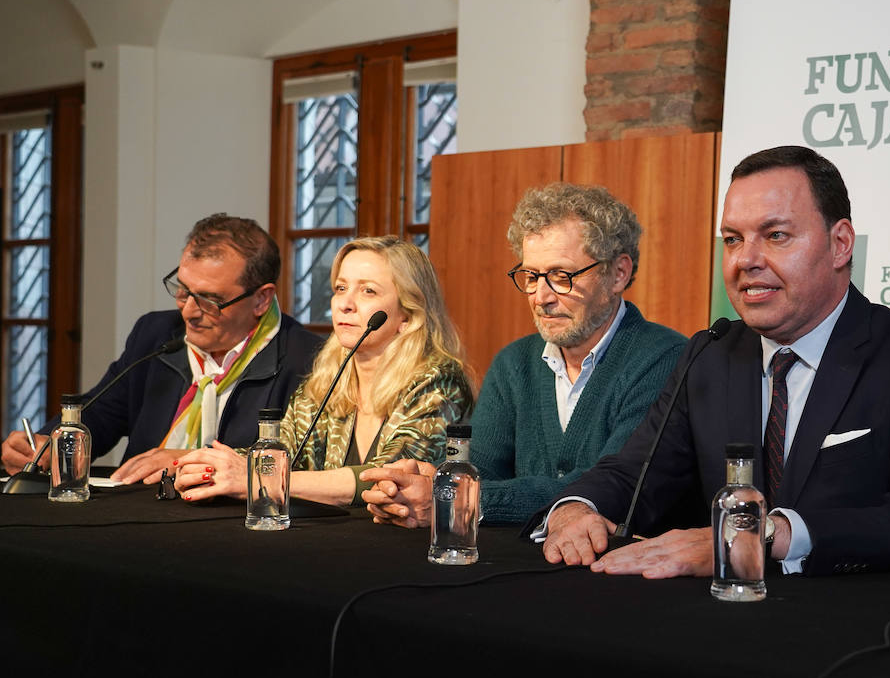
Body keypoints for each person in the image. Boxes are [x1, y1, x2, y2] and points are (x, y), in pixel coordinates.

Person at [540, 145, 890, 577]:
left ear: (840, 244)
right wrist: (576, 508)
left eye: (776, 236)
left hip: (852, 625)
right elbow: (636, 472)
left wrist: (760, 536)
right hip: (719, 620)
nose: (745, 260)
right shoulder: (709, 354)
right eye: (733, 239)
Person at [361, 183, 685, 527]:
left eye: (562, 277)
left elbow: (609, 489)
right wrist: (432, 484)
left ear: (618, 273)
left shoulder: (665, 359)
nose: (540, 296)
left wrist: (459, 498)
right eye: (531, 276)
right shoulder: (513, 363)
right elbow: (480, 473)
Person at [1, 214, 320, 484]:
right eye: (183, 291)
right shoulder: (155, 334)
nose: (189, 312)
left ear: (262, 299)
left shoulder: (307, 361)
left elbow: (305, 468)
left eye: (210, 300)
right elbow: (101, 412)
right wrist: (50, 444)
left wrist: (194, 463)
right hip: (138, 513)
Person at [173, 236, 473, 506]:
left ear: (407, 313)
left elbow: (390, 479)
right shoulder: (329, 374)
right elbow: (283, 449)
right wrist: (212, 466)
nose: (345, 303)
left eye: (368, 291)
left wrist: (257, 477)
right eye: (341, 288)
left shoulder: (439, 380)